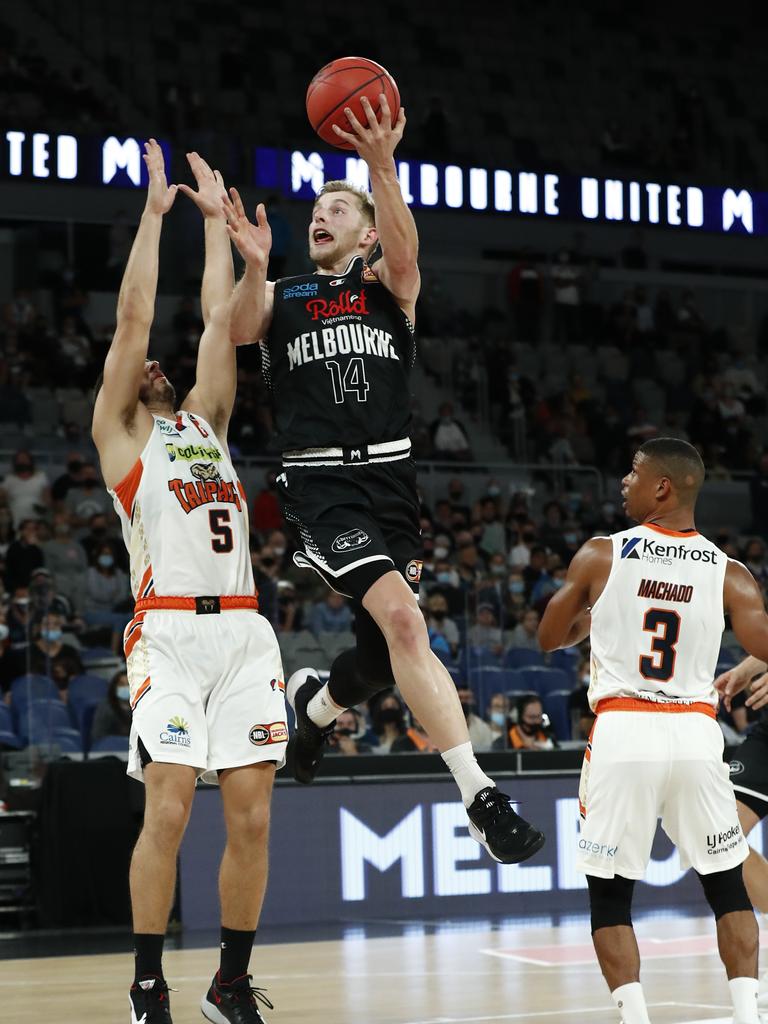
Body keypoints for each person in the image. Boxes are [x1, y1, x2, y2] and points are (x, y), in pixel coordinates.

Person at [226, 94, 543, 865]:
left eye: (340, 208)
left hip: (392, 484)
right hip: (320, 484)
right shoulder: (286, 296)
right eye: (317, 208)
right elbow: (237, 328)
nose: (321, 216)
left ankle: (315, 703)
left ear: (365, 229)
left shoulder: (388, 292)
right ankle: (480, 795)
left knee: (379, 657)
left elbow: (406, 256)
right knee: (407, 622)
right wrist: (255, 265)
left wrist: (380, 167)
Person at [91, 143, 285, 1024]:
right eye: (147, 366)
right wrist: (157, 217)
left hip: (244, 631)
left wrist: (217, 228)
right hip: (166, 632)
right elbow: (134, 318)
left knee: (250, 819)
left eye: (167, 362)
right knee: (167, 809)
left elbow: (217, 320)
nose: (158, 361)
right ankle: (145, 984)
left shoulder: (205, 424)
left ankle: (227, 982)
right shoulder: (125, 439)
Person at [539, 437, 766, 1024]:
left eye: (634, 471)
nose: (624, 480)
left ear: (662, 487)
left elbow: (548, 638)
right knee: (727, 886)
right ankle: (749, 1015)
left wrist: (599, 614)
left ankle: (635, 1019)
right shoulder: (730, 573)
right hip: (696, 734)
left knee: (611, 896)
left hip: (625, 729)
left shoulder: (601, 554)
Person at [91, 668, 133, 743]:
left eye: (128, 684)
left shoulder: (142, 707)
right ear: (115, 687)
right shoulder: (105, 708)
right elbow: (98, 735)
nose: (125, 687)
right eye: (121, 684)